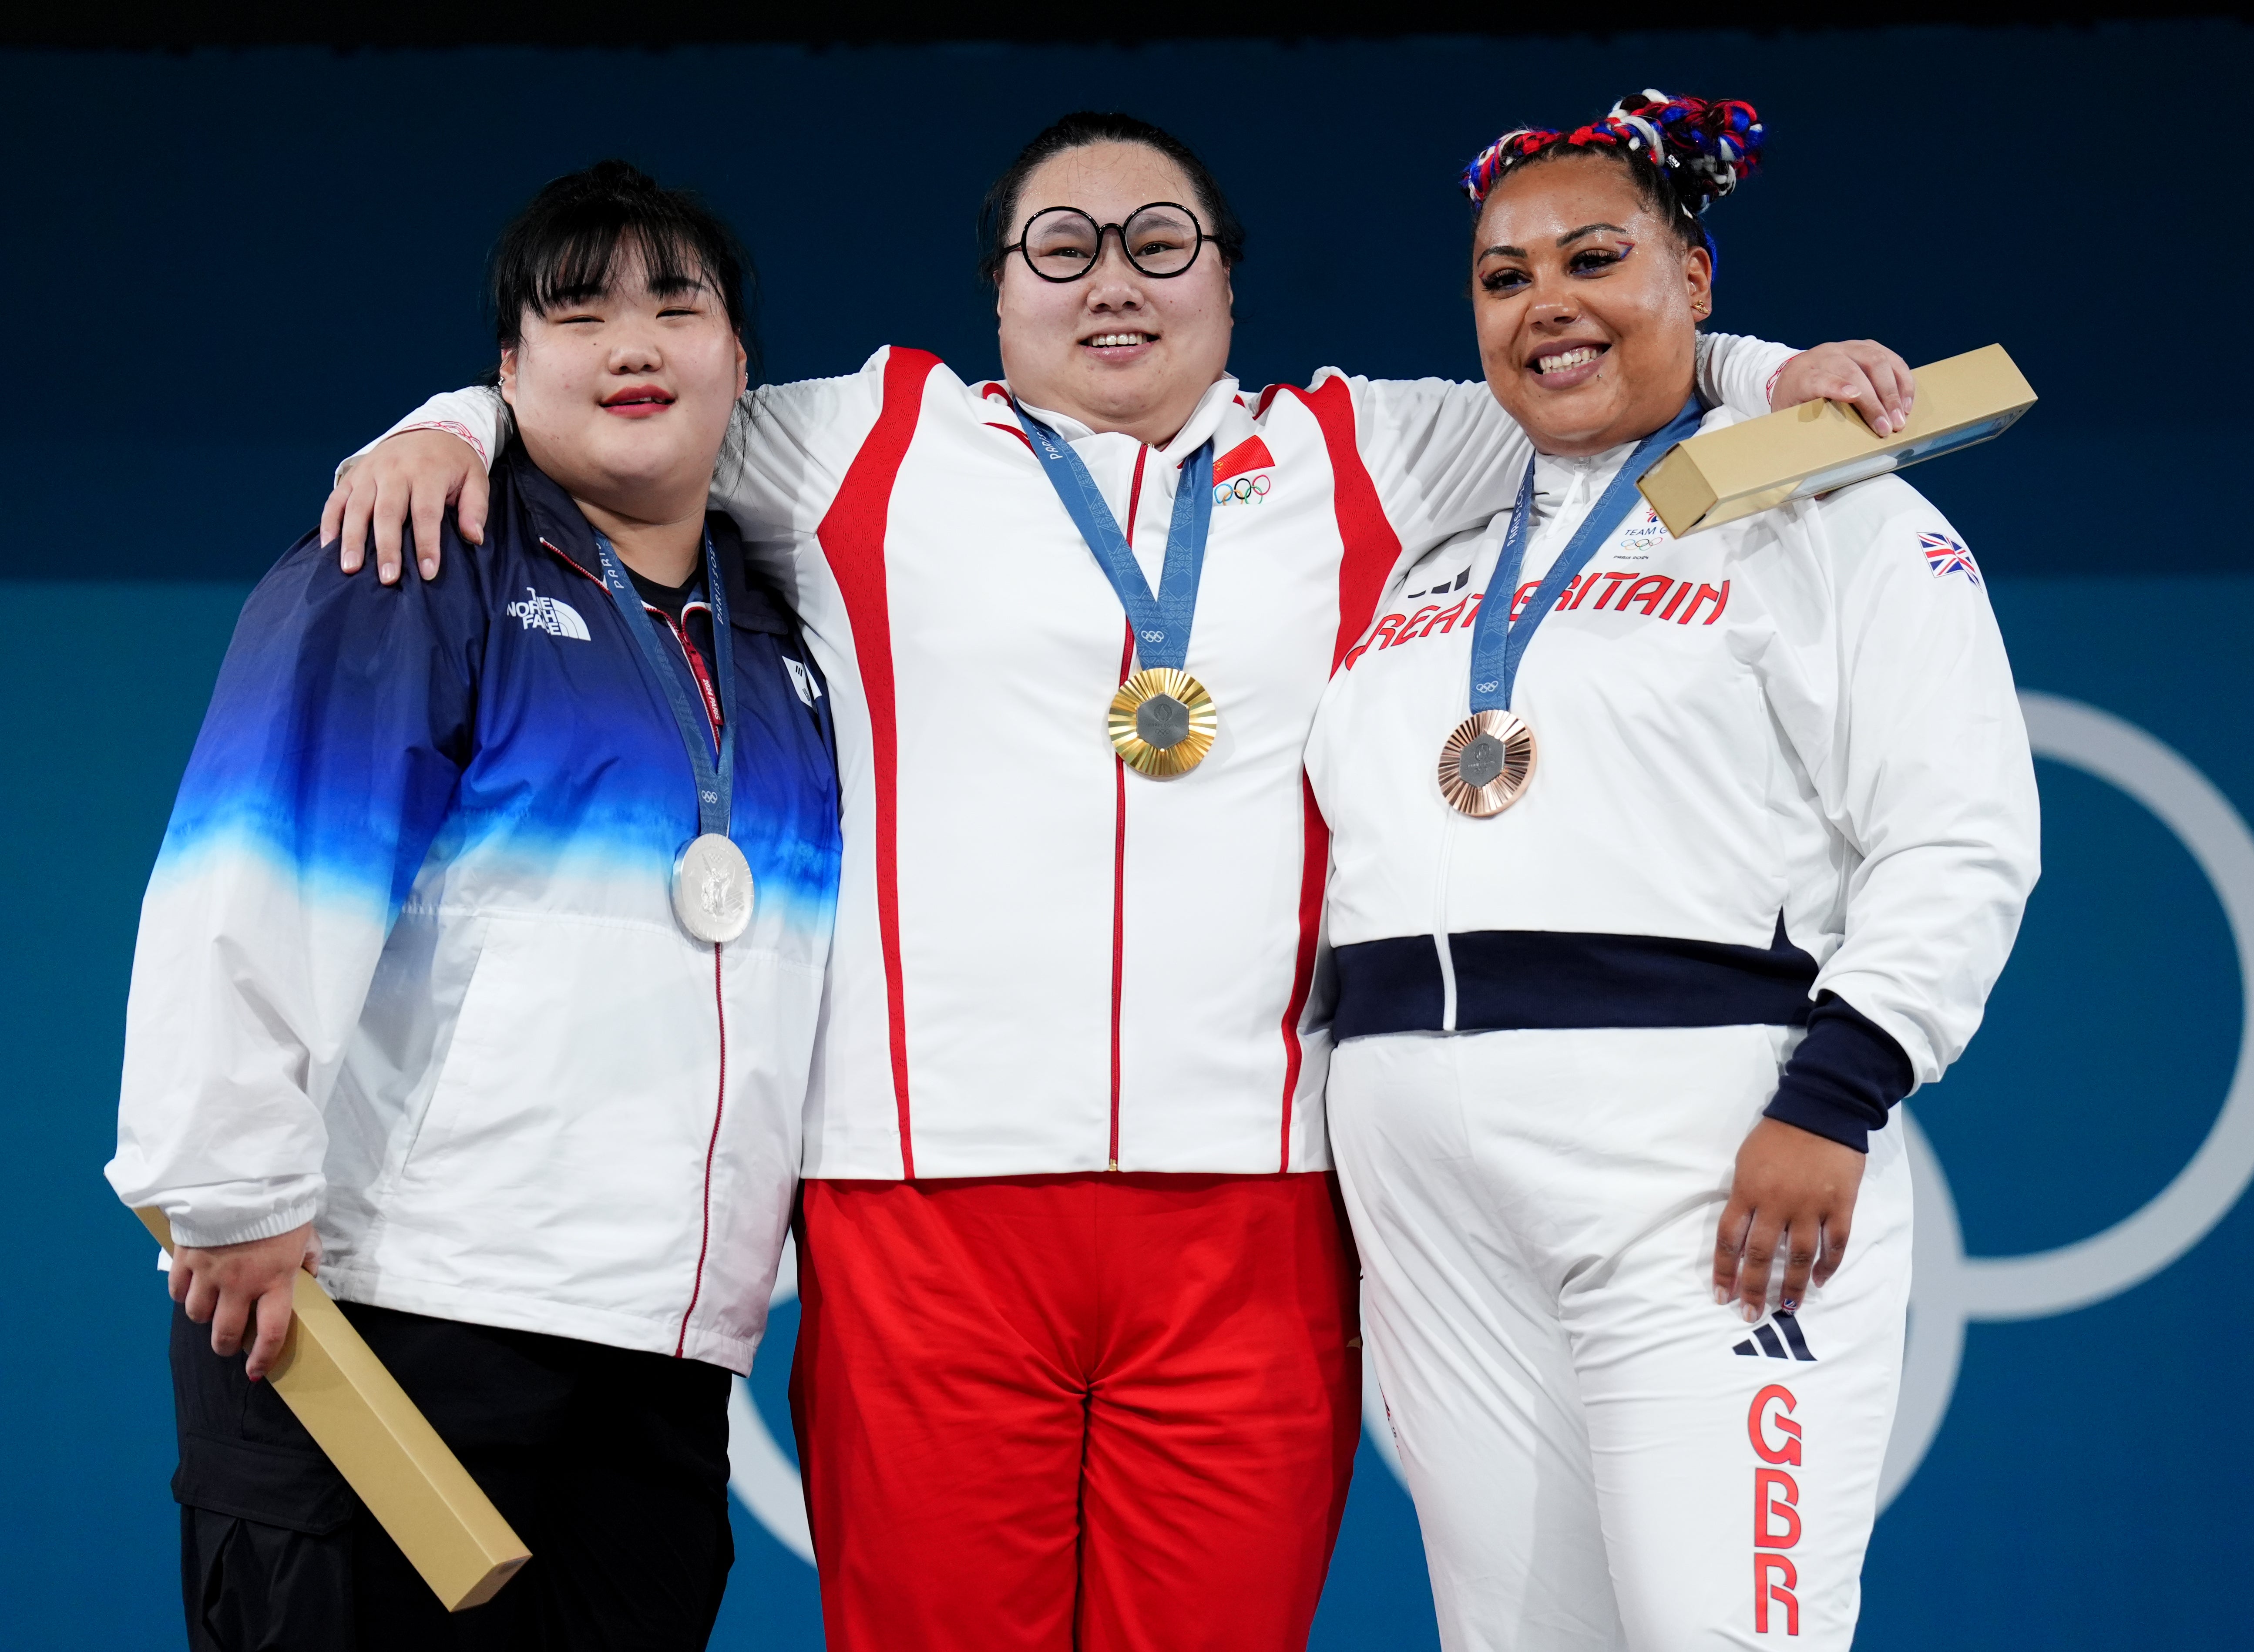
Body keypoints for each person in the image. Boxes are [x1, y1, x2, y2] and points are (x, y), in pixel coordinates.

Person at [323, 112, 1914, 1652]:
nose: (1113, 283)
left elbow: (1584, 362)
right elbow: (632, 391)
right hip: (920, 1216)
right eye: (1062, 248)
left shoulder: (1359, 451)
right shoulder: (865, 444)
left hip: (1255, 1221)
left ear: (1227, 284)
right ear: (995, 292)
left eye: (1160, 245)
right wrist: (446, 424)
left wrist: (1764, 371)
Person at [1304, 94, 2039, 1650]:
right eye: (1503, 279)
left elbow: (1959, 824)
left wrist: (1835, 1090)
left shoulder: (1829, 502)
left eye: (1595, 259)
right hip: (1422, 1193)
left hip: (1699, 1158)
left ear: (1693, 279)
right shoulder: (1431, 539)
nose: (1545, 304)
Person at [106, 161, 840, 1651]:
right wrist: (227, 1188)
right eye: (577, 314)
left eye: (674, 306)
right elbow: (245, 874)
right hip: (389, 1309)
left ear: (740, 364)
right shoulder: (412, 560)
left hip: (656, 1348)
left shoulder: (791, 634)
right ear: (506, 374)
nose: (632, 344)